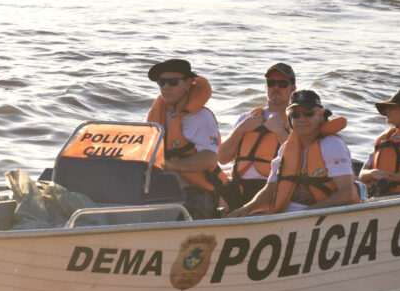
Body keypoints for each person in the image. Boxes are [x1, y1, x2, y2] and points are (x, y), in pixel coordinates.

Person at [226, 90, 358, 217]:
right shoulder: (285, 149)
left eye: (308, 113)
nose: (301, 119)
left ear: (321, 116)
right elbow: (270, 190)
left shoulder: (332, 144)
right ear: (290, 119)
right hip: (286, 218)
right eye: (295, 114)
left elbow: (347, 193)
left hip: (318, 218)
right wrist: (246, 209)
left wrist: (306, 213)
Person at [145, 59, 227, 220]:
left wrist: (171, 165)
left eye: (173, 82)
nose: (166, 87)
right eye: (162, 82)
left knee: (193, 213)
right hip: (161, 186)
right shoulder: (158, 113)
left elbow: (210, 159)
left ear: (188, 84)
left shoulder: (201, 118)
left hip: (197, 191)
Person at [218, 63, 296, 211]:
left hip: (271, 187)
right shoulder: (246, 118)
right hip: (239, 184)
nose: (276, 88)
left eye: (283, 84)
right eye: (271, 83)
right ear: (266, 87)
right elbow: (222, 158)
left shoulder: (297, 121)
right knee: (221, 197)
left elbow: (299, 161)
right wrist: (241, 129)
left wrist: (280, 132)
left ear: (293, 89)